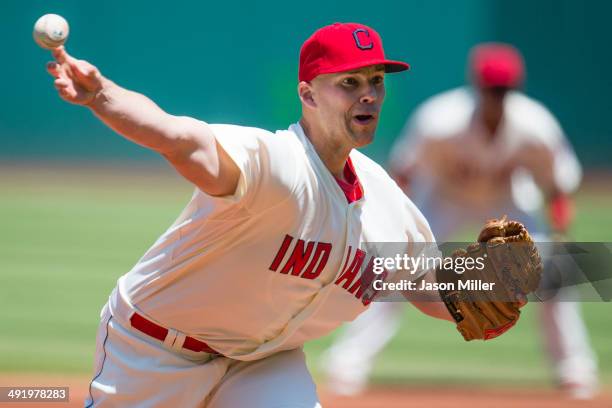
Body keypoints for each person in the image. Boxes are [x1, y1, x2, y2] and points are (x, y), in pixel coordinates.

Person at [45, 22, 465, 407]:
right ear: (308, 94)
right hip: (155, 351)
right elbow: (179, 139)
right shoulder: (276, 164)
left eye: (376, 81)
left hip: (262, 362)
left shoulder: (384, 199)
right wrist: (102, 96)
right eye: (349, 82)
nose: (368, 94)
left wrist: (509, 283)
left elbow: (425, 281)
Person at [322, 43, 599, 399]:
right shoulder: (440, 120)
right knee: (392, 267)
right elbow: (403, 175)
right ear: (477, 87)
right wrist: (388, 227)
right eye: (491, 90)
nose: (496, 97)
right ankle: (347, 367)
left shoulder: (535, 125)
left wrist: (558, 233)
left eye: (503, 91)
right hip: (443, 199)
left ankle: (575, 372)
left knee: (557, 272)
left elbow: (557, 187)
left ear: (514, 90)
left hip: (508, 201)